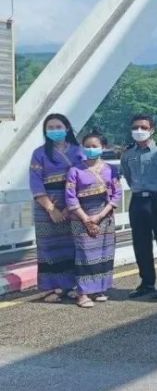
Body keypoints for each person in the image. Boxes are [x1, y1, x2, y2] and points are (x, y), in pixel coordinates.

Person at [29, 114, 86, 302]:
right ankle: (53, 287)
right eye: (50, 127)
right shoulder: (39, 153)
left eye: (58, 126)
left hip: (72, 202)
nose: (54, 130)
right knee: (48, 246)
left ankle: (71, 284)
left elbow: (83, 180)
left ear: (67, 128)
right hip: (46, 205)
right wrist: (51, 209)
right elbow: (36, 183)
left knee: (73, 244)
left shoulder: (78, 152)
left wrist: (70, 207)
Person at [64, 131, 122, 308]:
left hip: (104, 216)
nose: (90, 149)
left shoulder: (111, 169)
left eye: (94, 146)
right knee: (84, 255)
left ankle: (99, 289)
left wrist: (100, 215)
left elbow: (117, 194)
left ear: (103, 148)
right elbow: (70, 197)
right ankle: (82, 293)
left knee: (104, 253)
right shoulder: (74, 170)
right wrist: (86, 218)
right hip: (81, 216)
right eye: (87, 146)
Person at [120, 113, 157, 299]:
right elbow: (128, 177)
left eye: (144, 127)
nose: (139, 131)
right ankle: (147, 282)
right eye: (135, 127)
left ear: (152, 130)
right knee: (140, 243)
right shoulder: (127, 154)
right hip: (137, 201)